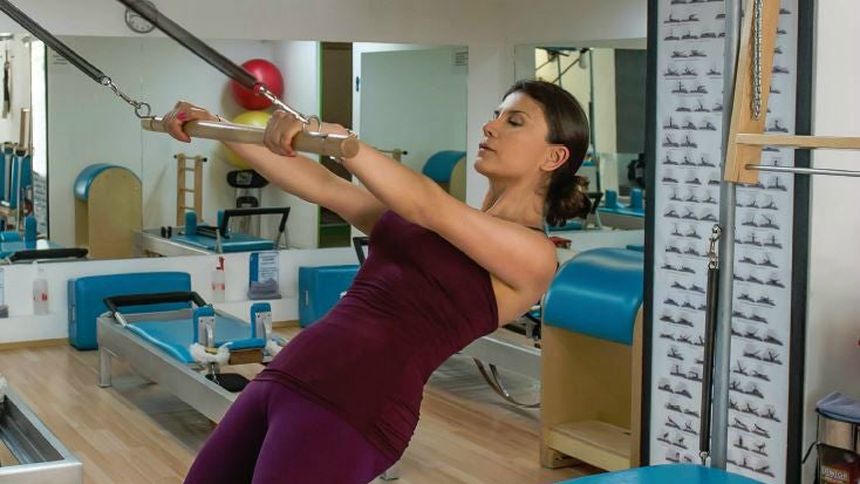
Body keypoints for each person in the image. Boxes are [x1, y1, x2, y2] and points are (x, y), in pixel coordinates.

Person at [163, 79, 591, 484]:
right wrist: (217, 127)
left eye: (513, 121)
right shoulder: (438, 220)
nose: (490, 126)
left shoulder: (533, 254)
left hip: (355, 404)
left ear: (553, 157)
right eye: (496, 115)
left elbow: (429, 204)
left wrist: (344, 143)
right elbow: (324, 186)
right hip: (289, 374)